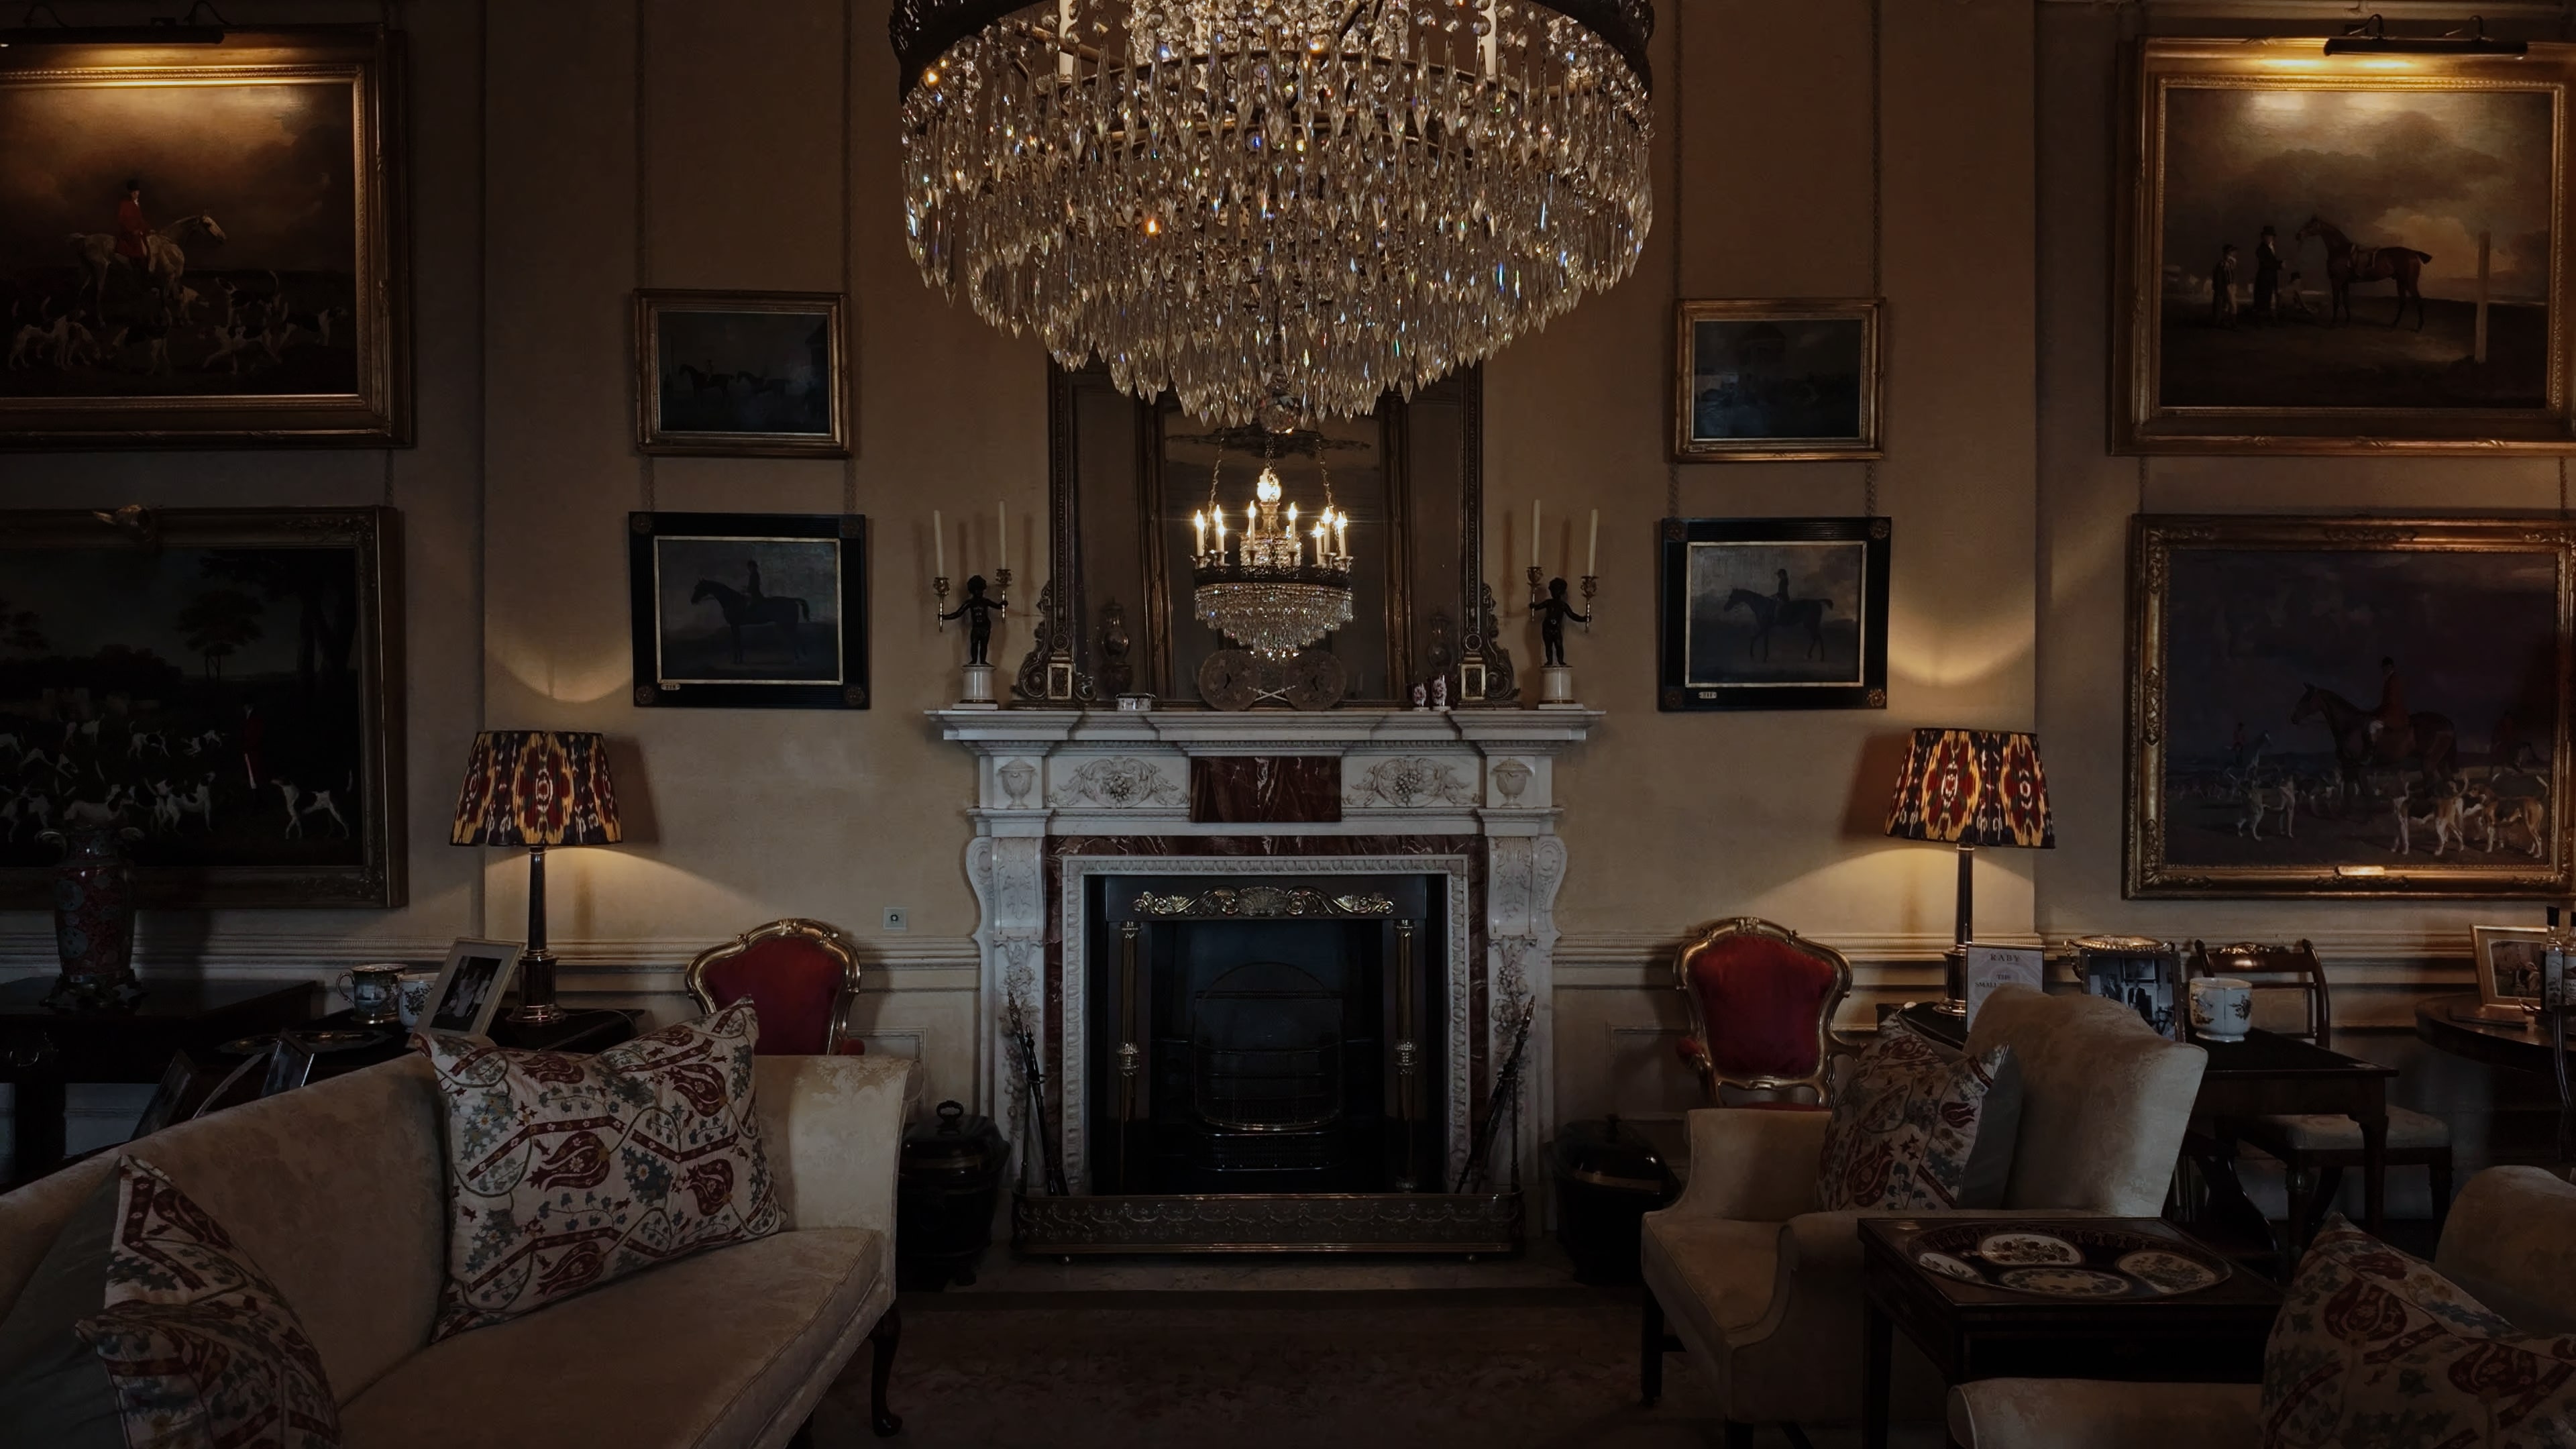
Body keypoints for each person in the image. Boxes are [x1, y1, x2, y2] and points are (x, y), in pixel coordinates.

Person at [941, 574, 1007, 666]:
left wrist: (1003, 604)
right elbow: (958, 613)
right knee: (974, 644)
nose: (980, 592)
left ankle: (983, 661)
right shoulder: (970, 603)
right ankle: (974, 660)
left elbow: (997, 606)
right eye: (977, 590)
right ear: (973, 591)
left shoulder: (985, 601)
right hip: (976, 627)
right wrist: (945, 617)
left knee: (984, 645)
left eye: (981, 590)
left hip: (985, 626)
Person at [1528, 576, 1592, 668]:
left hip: (1556, 628)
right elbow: (1538, 607)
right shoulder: (1548, 602)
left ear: (1561, 592)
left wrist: (1583, 619)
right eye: (1553, 590)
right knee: (1548, 645)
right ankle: (1549, 661)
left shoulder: (1563, 605)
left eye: (1557, 590)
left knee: (1559, 645)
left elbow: (1572, 615)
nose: (1554, 593)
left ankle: (1560, 661)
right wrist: (1533, 606)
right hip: (1547, 627)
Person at [115, 178, 151, 278]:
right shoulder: (125, 204)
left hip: (138, 232)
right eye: (133, 192)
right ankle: (138, 272)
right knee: (139, 249)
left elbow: (141, 221)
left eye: (137, 192)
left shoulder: (137, 204)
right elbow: (121, 220)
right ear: (130, 193)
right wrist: (132, 231)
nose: (135, 194)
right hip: (128, 234)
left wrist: (148, 228)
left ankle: (148, 272)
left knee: (150, 244)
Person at [2252, 226, 2282, 320]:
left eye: (2270, 236)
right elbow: (2266, 263)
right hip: (2264, 278)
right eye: (2267, 236)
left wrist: (2279, 264)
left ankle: (2271, 317)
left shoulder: (2272, 247)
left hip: (2272, 277)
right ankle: (2260, 320)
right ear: (2263, 237)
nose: (2269, 238)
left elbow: (2272, 262)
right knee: (2262, 299)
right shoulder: (2261, 249)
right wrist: (2279, 265)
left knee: (2272, 298)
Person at [2210, 244, 2239, 326]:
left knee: (2226, 304)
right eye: (2232, 252)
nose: (2234, 253)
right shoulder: (2223, 263)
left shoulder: (2231, 262)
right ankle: (2232, 323)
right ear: (2228, 253)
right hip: (2226, 286)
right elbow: (2219, 277)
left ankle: (2225, 321)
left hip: (2231, 286)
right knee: (2232, 305)